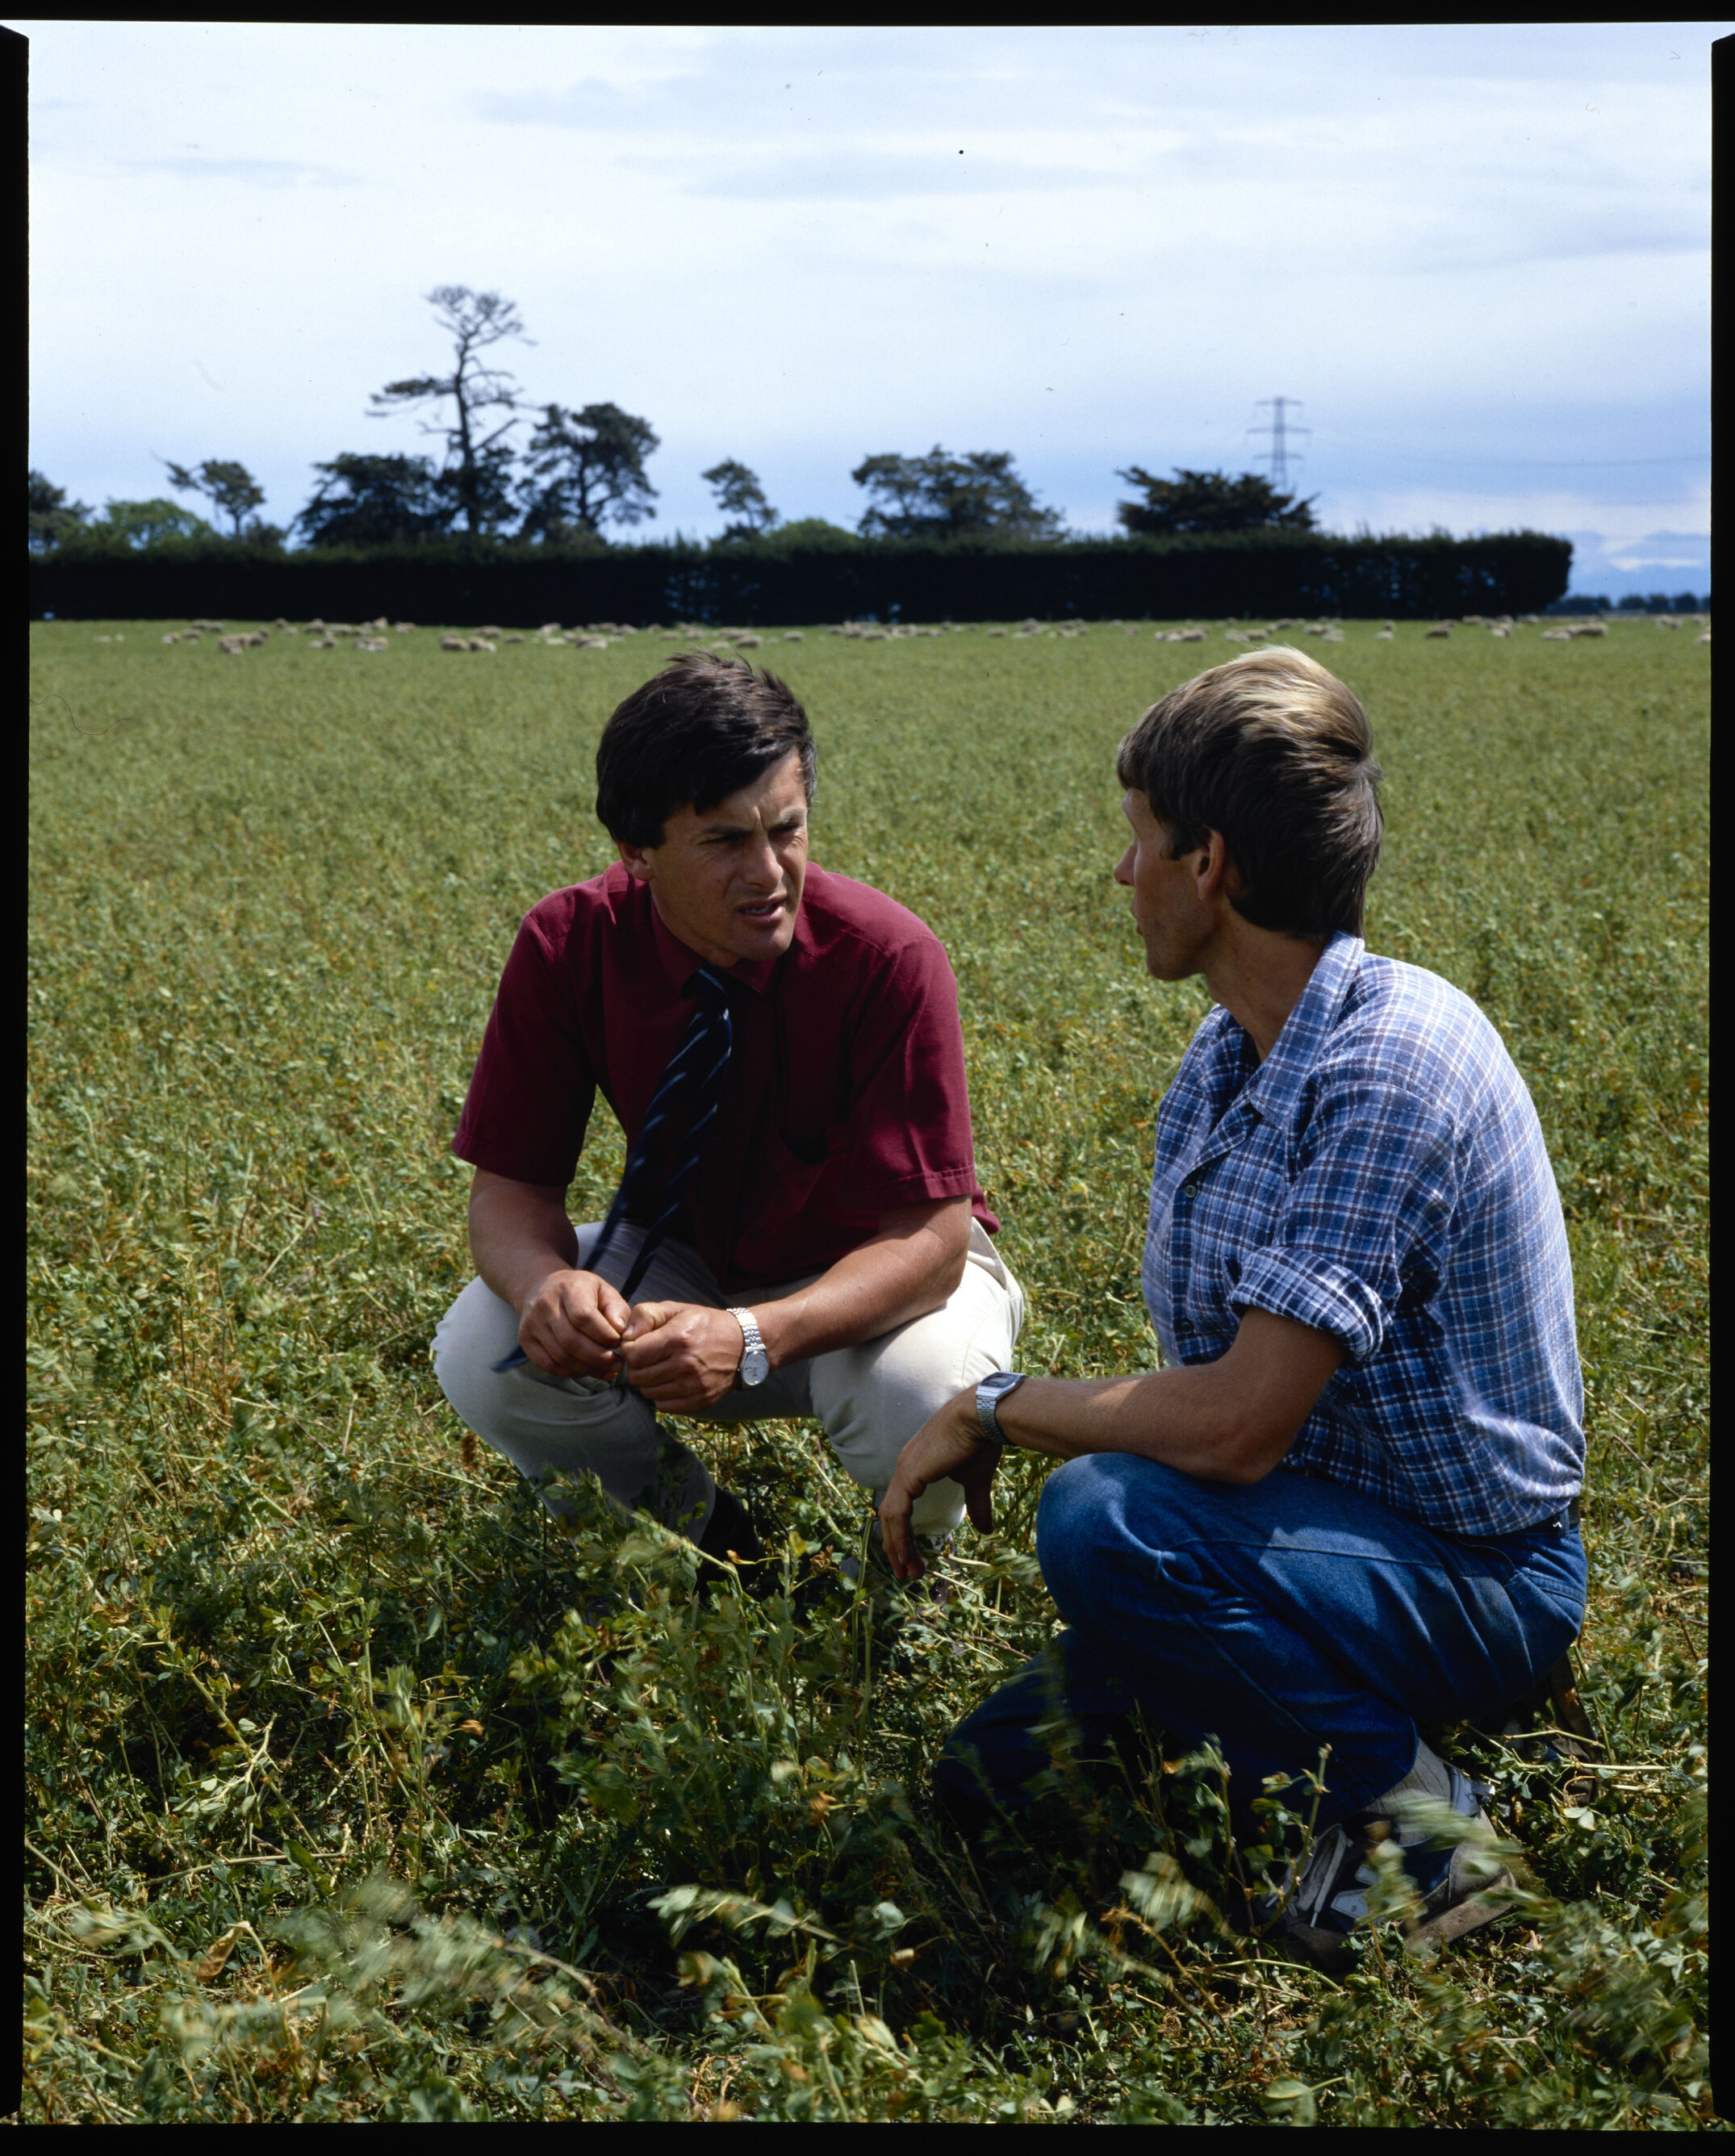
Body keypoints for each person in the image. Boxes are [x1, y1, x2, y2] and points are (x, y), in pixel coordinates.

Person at [878, 645, 1587, 1967]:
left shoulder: (1391, 1067)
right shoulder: (1224, 1058)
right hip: (1306, 1543)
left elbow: (1241, 1422)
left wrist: (996, 1406)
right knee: (993, 1776)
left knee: (1102, 1519)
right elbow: (1205, 1399)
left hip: (1475, 1570)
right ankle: (1310, 1727)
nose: (1119, 874)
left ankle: (1431, 1823)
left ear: (1213, 865)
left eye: (1138, 840)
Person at [433, 651, 1023, 1583]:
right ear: (635, 852)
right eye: (721, 842)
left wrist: (753, 1336)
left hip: (873, 1279)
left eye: (785, 829)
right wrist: (545, 1284)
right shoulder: (567, 943)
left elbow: (930, 1241)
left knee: (925, 1392)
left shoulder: (887, 957)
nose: (768, 873)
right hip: (689, 1260)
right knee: (483, 1344)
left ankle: (912, 1582)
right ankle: (716, 1554)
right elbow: (511, 1188)